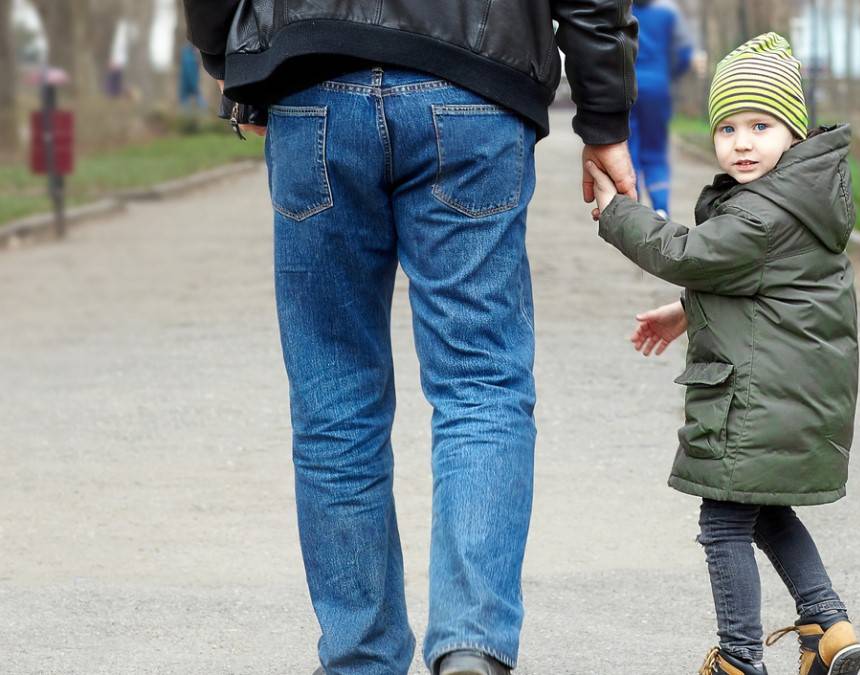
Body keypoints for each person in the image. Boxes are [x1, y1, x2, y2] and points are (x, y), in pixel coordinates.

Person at [180, 3, 638, 675]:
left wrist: (231, 57)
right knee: (480, 382)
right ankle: (471, 645)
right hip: (475, 85)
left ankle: (359, 656)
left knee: (334, 395)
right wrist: (603, 115)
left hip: (313, 80)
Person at [585, 33, 860, 675]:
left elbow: (686, 253)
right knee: (763, 505)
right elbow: (765, 286)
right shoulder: (801, 199)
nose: (741, 142)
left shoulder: (765, 213)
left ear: (793, 134)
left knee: (723, 521)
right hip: (791, 391)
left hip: (758, 395)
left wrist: (617, 211)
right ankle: (826, 622)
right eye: (727, 128)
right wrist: (687, 312)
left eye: (761, 126)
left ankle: (739, 658)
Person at [629, 0, 694, 217]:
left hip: (626, 88)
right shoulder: (668, 13)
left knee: (629, 149)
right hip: (658, 88)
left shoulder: (619, 10)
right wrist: (667, 75)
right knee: (655, 151)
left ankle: (633, 208)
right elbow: (684, 53)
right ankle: (660, 208)